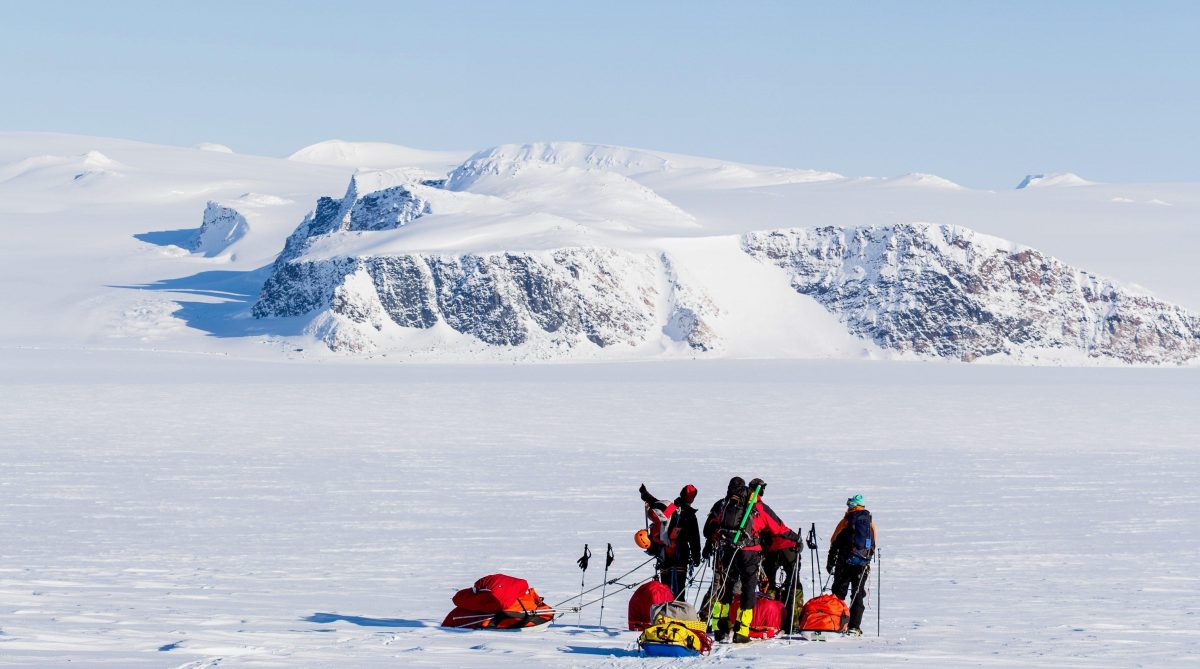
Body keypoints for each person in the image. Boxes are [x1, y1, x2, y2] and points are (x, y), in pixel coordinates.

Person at [701, 477, 789, 643]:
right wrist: (795, 539)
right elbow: (778, 527)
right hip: (749, 553)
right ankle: (742, 630)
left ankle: (720, 628)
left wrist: (712, 543)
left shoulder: (722, 504)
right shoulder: (755, 507)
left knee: (725, 588)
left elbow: (708, 529)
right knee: (748, 590)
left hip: (726, 551)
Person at [748, 478, 802, 633]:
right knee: (793, 583)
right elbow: (779, 527)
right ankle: (793, 620)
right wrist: (796, 538)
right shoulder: (761, 508)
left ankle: (768, 618)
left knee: (768, 583)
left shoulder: (743, 507)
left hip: (766, 549)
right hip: (786, 546)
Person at [639, 483, 701, 598]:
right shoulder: (689, 515)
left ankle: (664, 609)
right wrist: (696, 556)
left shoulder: (671, 508)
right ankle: (678, 611)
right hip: (681, 553)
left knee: (665, 588)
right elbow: (694, 538)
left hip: (664, 552)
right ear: (692, 499)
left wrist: (645, 495)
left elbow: (655, 502)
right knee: (679, 589)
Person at [826, 494, 877, 635]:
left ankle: (836, 622)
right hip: (862, 564)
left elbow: (834, 540)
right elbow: (873, 543)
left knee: (838, 593)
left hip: (845, 562)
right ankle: (854, 627)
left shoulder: (847, 520)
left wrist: (831, 561)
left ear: (852, 506)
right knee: (858, 593)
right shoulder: (869, 521)